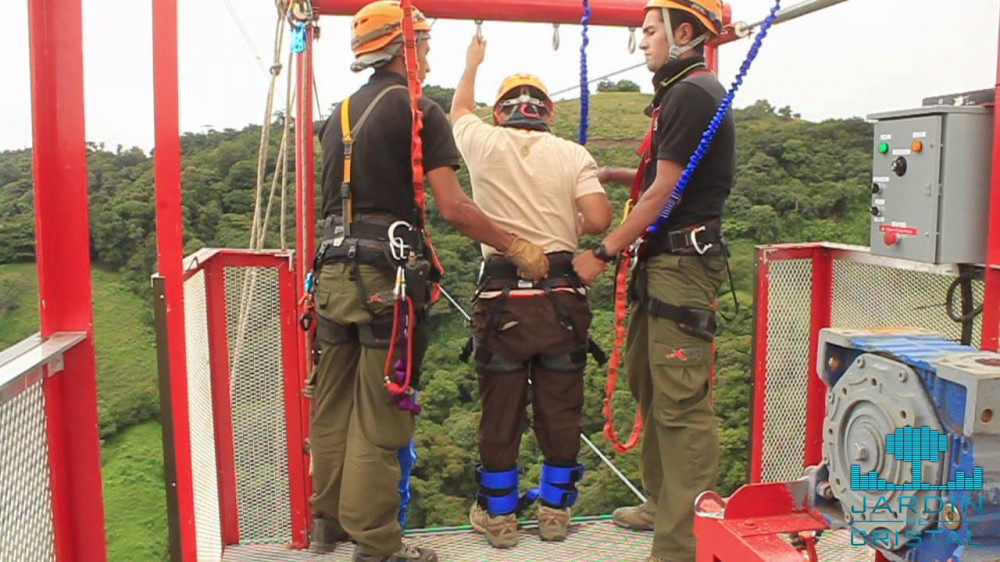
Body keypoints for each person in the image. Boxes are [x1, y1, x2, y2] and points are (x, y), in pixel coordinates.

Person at [308, 3, 549, 560]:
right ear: (404, 48)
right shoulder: (418, 110)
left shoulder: (338, 113)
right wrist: (516, 246)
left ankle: (328, 526)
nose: (428, 52)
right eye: (422, 42)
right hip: (383, 281)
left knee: (333, 405)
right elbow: (454, 206)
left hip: (332, 274)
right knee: (380, 413)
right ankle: (377, 545)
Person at [572, 1, 734, 561]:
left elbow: (666, 192)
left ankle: (680, 543)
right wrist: (621, 175)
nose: (641, 42)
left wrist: (603, 250)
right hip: (664, 262)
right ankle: (663, 503)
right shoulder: (682, 92)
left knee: (681, 404)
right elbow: (671, 177)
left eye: (648, 32)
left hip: (680, 264)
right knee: (648, 380)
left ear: (682, 32)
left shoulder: (691, 92)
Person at [450, 37, 613, 549]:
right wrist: (567, 232)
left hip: (502, 303)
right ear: (547, 113)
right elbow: (601, 219)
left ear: (502, 112)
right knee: (560, 409)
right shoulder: (572, 154)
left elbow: (458, 109)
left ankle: (500, 519)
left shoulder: (481, 142)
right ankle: (553, 514)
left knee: (500, 411)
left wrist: (473, 62)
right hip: (561, 300)